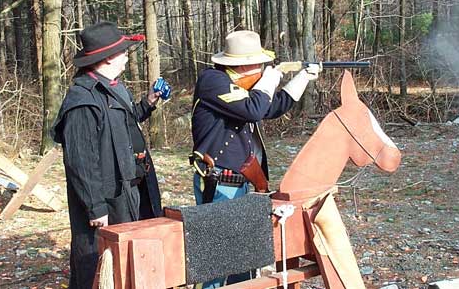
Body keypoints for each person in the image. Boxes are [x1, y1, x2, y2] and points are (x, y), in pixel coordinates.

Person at [190, 30, 319, 288]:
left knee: (244, 265)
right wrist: (270, 78)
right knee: (215, 264)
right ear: (240, 64)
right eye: (257, 63)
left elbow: (272, 107)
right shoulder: (213, 81)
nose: (261, 67)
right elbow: (254, 108)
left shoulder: (239, 88)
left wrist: (302, 78)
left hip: (242, 183)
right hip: (218, 184)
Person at [51, 21, 164, 289]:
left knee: (126, 262)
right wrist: (95, 207)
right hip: (104, 201)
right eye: (123, 52)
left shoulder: (113, 87)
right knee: (97, 263)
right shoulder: (82, 101)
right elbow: (80, 162)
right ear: (108, 58)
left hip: (128, 190)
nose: (126, 56)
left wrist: (149, 102)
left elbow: (126, 121)